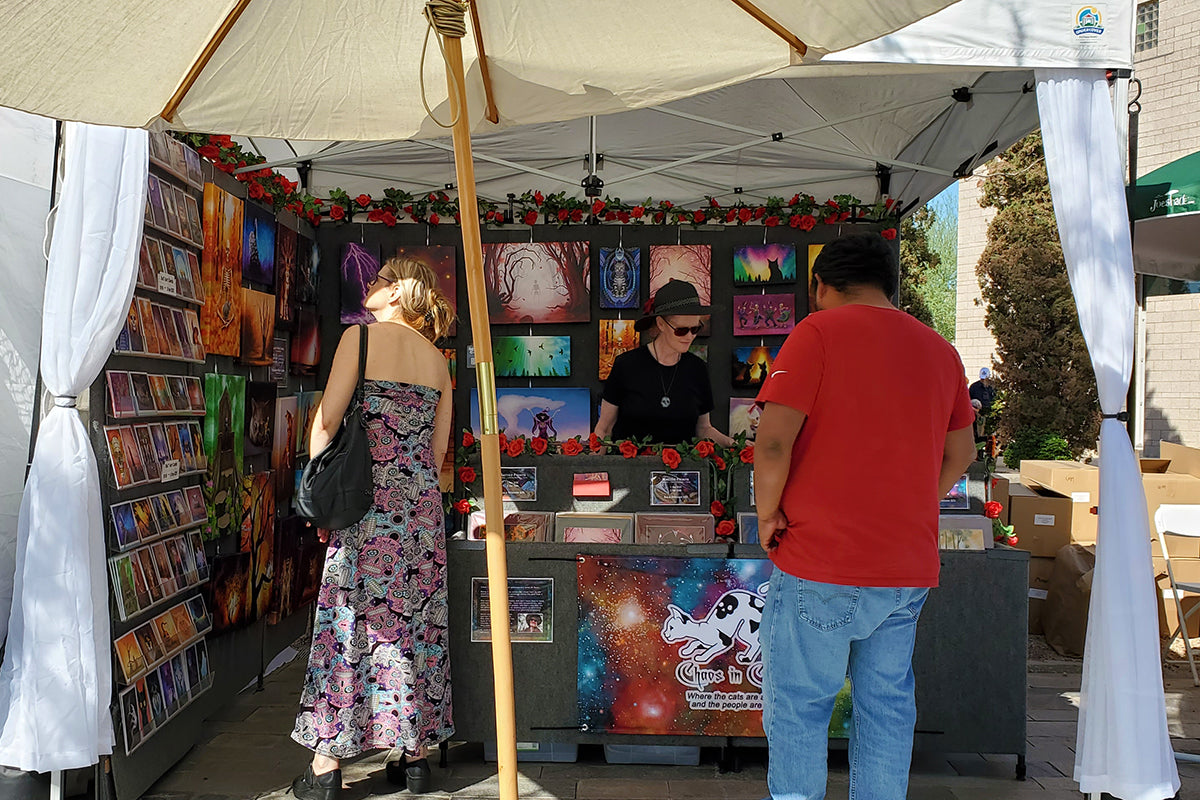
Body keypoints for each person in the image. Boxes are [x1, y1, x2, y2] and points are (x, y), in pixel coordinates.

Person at [753, 233, 977, 800]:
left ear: (820, 285)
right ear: (890, 286)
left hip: (821, 557)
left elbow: (774, 443)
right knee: (886, 708)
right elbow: (963, 452)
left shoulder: (817, 333)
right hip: (905, 566)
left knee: (800, 706)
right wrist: (910, 499)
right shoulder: (940, 349)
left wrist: (767, 514)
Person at [290, 255, 456, 800]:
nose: (371, 284)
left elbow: (327, 421)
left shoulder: (358, 342)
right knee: (415, 624)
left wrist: (319, 502)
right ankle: (415, 756)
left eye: (380, 279)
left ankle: (325, 766)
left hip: (366, 507)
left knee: (348, 622)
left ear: (401, 291)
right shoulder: (438, 361)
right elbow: (436, 453)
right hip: (421, 510)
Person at [593, 279, 734, 446]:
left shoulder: (697, 368)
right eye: (681, 330)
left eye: (695, 329)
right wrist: (593, 468)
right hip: (630, 469)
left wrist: (735, 445)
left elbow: (703, 429)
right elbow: (604, 428)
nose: (689, 337)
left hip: (681, 470)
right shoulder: (626, 365)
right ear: (661, 324)